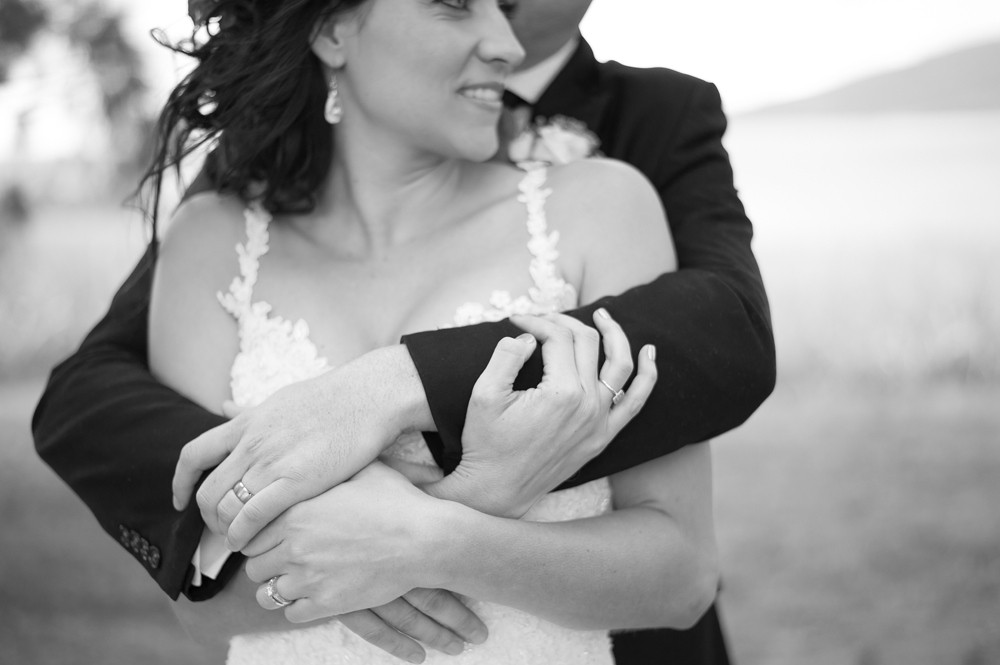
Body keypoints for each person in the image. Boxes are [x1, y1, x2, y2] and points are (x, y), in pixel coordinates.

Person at [33, 0, 774, 662]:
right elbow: (200, 614)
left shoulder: (603, 206)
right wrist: (475, 495)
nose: (507, 43)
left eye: (504, 4)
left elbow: (682, 573)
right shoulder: (211, 242)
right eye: (456, 6)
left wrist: (433, 536)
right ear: (329, 29)